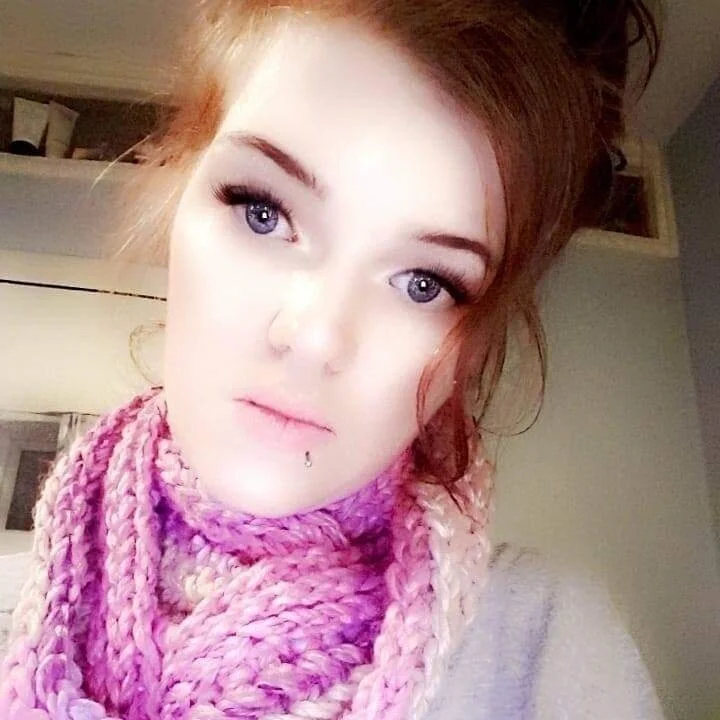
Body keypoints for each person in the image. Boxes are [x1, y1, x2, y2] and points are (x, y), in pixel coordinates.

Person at [0, 0, 666, 718]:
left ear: (470, 349)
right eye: (264, 212)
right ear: (177, 185)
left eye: (423, 284)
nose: (315, 337)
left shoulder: (548, 652)